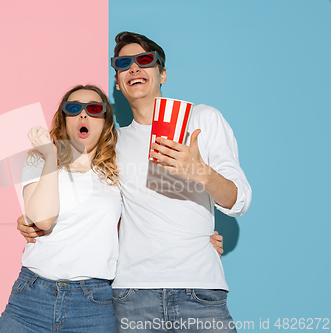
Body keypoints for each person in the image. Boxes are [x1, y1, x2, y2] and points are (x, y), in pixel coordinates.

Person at [19, 31, 251, 332]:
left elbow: (239, 199)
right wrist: (31, 219)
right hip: (132, 295)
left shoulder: (203, 120)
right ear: (117, 81)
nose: (134, 68)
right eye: (124, 63)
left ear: (163, 73)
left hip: (199, 288)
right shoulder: (112, 145)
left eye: (145, 60)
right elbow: (95, 207)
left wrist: (201, 173)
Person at [0, 85, 121, 332]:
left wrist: (201, 237)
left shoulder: (116, 169)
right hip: (31, 298)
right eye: (74, 109)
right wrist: (51, 156)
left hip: (92, 305)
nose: (83, 115)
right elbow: (42, 219)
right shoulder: (37, 159)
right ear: (64, 119)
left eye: (93, 109)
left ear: (105, 122)